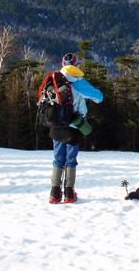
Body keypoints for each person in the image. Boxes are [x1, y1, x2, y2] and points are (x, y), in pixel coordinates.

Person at [49, 52, 103, 204]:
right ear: (75, 65)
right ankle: (68, 194)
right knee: (70, 160)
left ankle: (54, 193)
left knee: (58, 159)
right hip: (74, 125)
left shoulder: (54, 79)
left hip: (56, 125)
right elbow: (99, 97)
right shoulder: (77, 80)